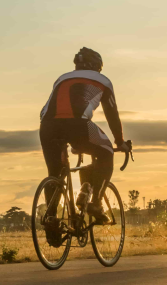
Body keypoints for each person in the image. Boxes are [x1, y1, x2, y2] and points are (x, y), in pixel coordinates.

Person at [39, 47, 129, 225]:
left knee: (55, 174)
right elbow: (112, 114)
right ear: (97, 67)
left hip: (47, 126)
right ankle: (95, 203)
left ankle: (51, 220)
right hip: (78, 125)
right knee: (107, 151)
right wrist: (120, 141)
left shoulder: (61, 78)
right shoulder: (103, 81)